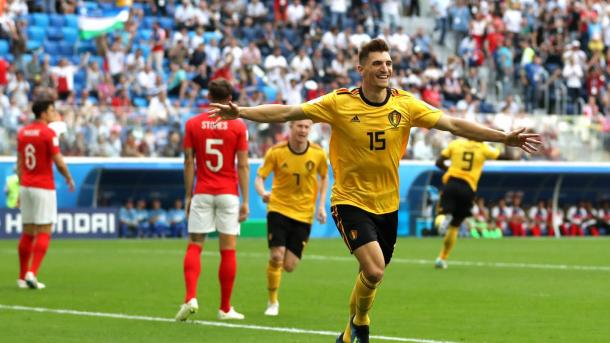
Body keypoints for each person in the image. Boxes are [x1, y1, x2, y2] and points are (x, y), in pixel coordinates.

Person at [209, 38, 541, 342]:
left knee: (371, 276)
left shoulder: (406, 105)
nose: (385, 69)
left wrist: (503, 136)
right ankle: (362, 322)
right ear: (362, 68)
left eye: (388, 63)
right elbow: (286, 112)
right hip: (350, 201)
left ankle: (345, 333)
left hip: (387, 205)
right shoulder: (339, 103)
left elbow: (453, 124)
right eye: (378, 63)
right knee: (374, 269)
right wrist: (242, 113)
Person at [175, 79, 250, 322]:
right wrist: (245, 200)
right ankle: (225, 308)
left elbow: (188, 162)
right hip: (228, 192)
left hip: (203, 191)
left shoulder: (192, 124)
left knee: (195, 244)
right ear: (230, 99)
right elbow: (243, 165)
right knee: (227, 249)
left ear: (209, 97)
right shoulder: (238, 126)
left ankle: (190, 298)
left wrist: (188, 195)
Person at [255, 119, 329, 316]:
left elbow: (324, 177)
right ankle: (272, 302)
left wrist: (321, 206)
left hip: (304, 214)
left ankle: (277, 280)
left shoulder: (318, 153)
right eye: (299, 126)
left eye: (306, 127)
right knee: (276, 255)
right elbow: (259, 177)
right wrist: (262, 191)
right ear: (291, 128)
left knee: (289, 266)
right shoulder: (276, 152)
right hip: (278, 208)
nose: (303, 130)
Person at [16, 99, 75, 289]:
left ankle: (22, 276)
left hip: (26, 185)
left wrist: (19, 187)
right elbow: (58, 161)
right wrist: (68, 177)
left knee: (28, 231)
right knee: (44, 230)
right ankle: (32, 273)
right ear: (43, 113)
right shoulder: (48, 133)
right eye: (51, 110)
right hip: (43, 186)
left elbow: (20, 164)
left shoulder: (23, 132)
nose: (53, 113)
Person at [433, 138, 500, 269]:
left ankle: (442, 222)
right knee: (455, 226)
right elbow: (503, 156)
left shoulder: (456, 144)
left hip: (452, 183)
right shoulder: (482, 147)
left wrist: (449, 169)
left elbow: (438, 162)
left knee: (442, 213)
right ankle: (442, 258)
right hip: (468, 188)